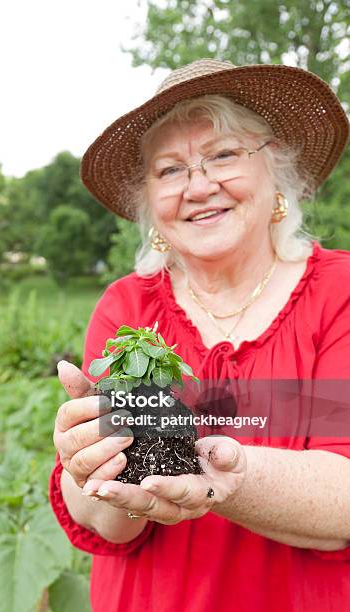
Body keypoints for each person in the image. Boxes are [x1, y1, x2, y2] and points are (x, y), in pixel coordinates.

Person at [50, 59, 350, 612]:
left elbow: (344, 500)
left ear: (277, 170)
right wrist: (87, 467)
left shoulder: (338, 295)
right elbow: (107, 524)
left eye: (224, 155)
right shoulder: (128, 308)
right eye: (169, 170)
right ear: (150, 204)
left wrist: (220, 477)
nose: (199, 185)